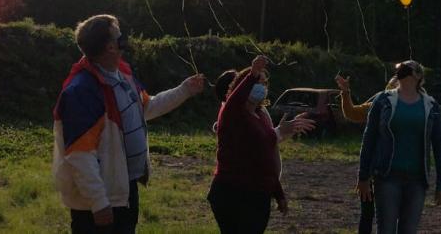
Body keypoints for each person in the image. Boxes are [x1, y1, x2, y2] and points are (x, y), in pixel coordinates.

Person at [53, 14, 205, 233]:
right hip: (100, 203)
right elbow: (79, 154)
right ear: (110, 47)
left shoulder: (122, 76)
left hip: (124, 190)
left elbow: (147, 107)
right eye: (119, 36)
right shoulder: (82, 91)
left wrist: (185, 90)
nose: (124, 39)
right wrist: (98, 202)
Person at [210, 55, 301, 234]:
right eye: (257, 82)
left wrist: (279, 194)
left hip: (257, 195)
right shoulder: (231, 113)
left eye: (264, 83)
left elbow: (266, 159)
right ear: (243, 87)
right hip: (232, 194)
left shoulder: (262, 117)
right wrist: (252, 73)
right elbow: (235, 101)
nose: (261, 87)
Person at [357, 60, 441, 234]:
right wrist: (363, 176)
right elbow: (369, 139)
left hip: (417, 179)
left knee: (408, 230)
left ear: (419, 76)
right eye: (401, 68)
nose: (403, 71)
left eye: (409, 69)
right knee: (386, 229)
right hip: (387, 176)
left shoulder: (431, 105)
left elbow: (439, 146)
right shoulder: (382, 100)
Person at [336, 73, 398, 234]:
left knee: (393, 215)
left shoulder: (415, 106)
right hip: (374, 168)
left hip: (399, 171)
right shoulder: (378, 103)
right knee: (368, 213)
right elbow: (352, 113)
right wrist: (345, 92)